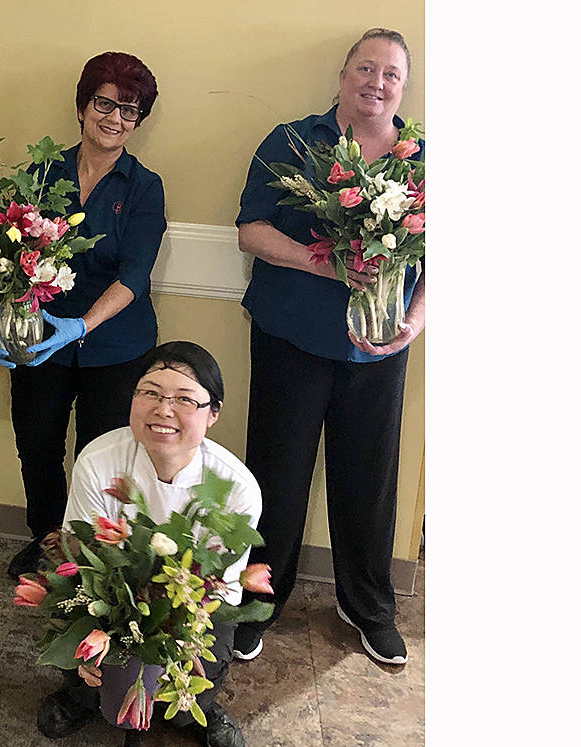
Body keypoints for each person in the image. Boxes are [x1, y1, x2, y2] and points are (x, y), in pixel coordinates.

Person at [232, 28, 424, 666]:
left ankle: (367, 605)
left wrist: (416, 320)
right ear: (343, 76)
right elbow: (251, 232)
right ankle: (258, 603)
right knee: (277, 475)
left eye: (390, 73)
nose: (376, 81)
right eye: (365, 68)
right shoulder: (290, 142)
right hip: (293, 337)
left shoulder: (423, 162)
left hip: (379, 347)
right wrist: (325, 264)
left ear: (403, 87)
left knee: (369, 480)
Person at [34, 341, 261, 747]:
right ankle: (79, 695)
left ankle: (199, 715)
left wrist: (181, 649)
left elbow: (220, 590)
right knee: (82, 651)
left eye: (184, 399)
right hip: (111, 595)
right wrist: (95, 638)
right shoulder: (99, 461)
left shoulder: (236, 488)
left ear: (213, 414)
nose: (163, 409)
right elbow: (81, 562)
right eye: (150, 393)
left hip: (191, 604)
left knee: (198, 678)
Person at [0, 51, 168, 580]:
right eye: (105, 103)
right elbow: (8, 258)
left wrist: (82, 326)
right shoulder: (39, 176)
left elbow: (134, 278)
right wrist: (1, 313)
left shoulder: (144, 186)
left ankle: (94, 555)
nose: (115, 118)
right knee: (38, 444)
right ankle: (48, 539)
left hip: (115, 348)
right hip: (41, 341)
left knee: (106, 457)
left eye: (130, 110)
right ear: (82, 105)